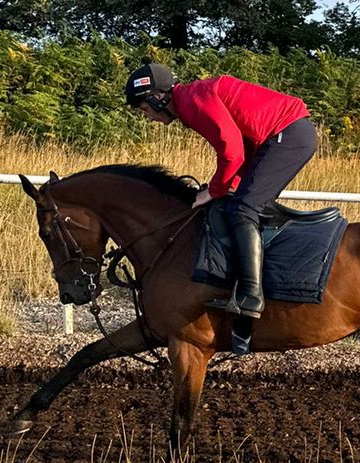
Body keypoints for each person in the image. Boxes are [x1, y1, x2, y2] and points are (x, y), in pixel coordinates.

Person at [124, 61, 317, 329]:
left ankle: (251, 295)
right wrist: (224, 187)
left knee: (244, 209)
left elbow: (232, 151)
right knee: (236, 203)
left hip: (289, 135)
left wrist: (214, 190)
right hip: (282, 136)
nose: (148, 117)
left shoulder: (193, 102)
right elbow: (243, 146)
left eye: (145, 109)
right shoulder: (190, 100)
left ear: (158, 97)